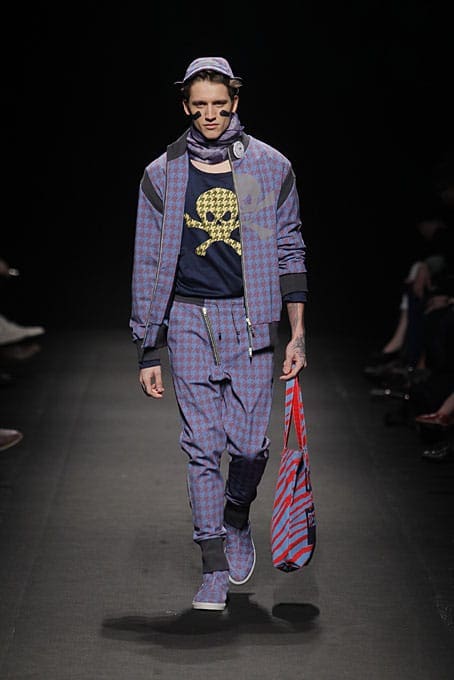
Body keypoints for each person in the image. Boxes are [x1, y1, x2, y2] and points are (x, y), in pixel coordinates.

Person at [129, 57, 308, 611]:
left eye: (219, 105)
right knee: (203, 447)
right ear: (186, 105)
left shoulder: (269, 168)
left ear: (235, 102)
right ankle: (212, 566)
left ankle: (236, 515)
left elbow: (290, 249)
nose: (210, 115)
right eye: (200, 105)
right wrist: (149, 348)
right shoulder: (161, 175)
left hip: (251, 319)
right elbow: (147, 263)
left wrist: (298, 333)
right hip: (187, 319)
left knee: (251, 446)